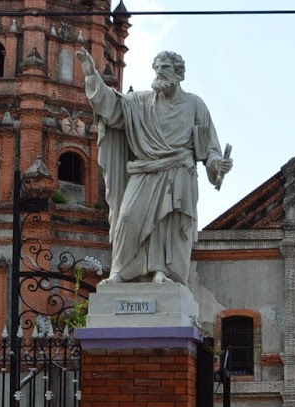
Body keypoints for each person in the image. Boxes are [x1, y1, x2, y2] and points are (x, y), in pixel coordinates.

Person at [76, 47, 233, 286]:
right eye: (157, 67)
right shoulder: (138, 102)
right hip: (144, 170)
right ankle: (122, 271)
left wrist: (216, 162)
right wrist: (91, 76)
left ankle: (163, 272)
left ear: (179, 73)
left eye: (165, 67)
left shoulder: (194, 105)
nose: (159, 71)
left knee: (167, 225)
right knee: (127, 218)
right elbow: (112, 108)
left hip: (178, 172)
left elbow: (208, 146)